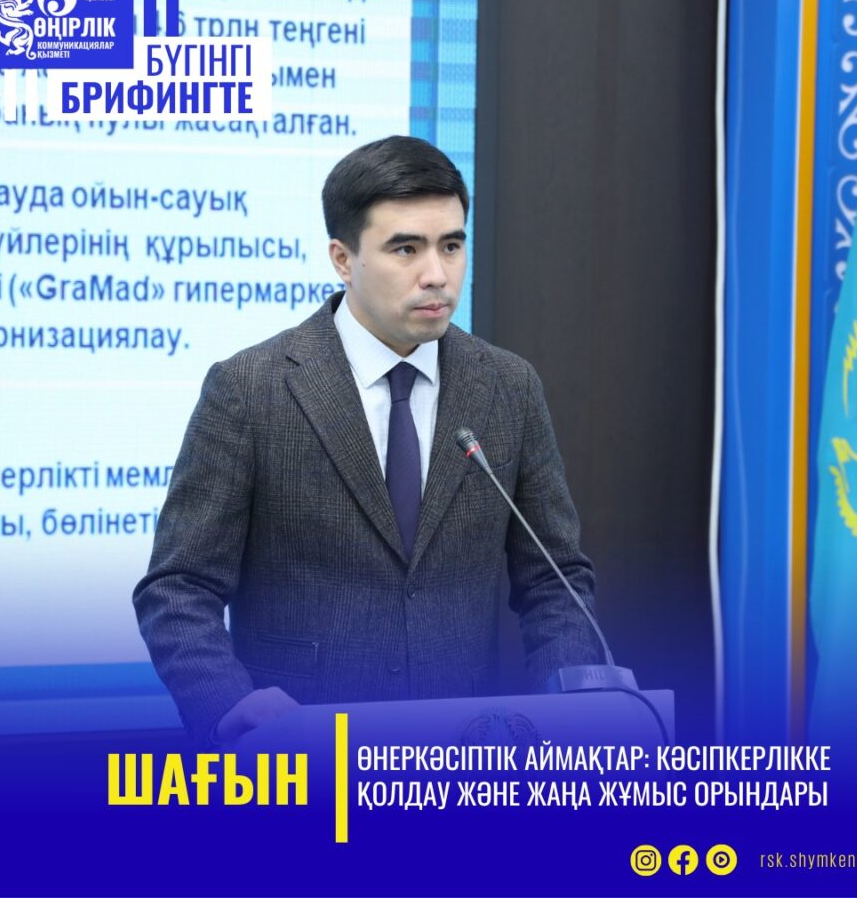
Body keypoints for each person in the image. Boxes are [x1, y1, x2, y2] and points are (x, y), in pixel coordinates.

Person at [133, 135, 601, 746]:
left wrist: (573, 697)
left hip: (464, 751)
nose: (437, 275)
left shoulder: (508, 387)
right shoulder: (250, 389)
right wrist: (229, 703)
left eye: (451, 245)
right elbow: (178, 588)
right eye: (405, 249)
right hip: (302, 752)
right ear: (343, 259)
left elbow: (555, 578)